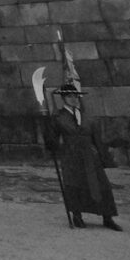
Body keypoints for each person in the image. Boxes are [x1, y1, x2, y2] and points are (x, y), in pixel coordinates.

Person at [47, 83, 122, 231]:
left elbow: (97, 139)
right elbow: (52, 139)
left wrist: (104, 157)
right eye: (70, 96)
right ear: (63, 98)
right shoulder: (58, 118)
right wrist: (50, 138)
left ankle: (107, 217)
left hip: (89, 155)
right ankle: (77, 216)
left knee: (100, 185)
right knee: (75, 184)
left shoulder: (87, 117)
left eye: (76, 96)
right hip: (71, 155)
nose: (74, 99)